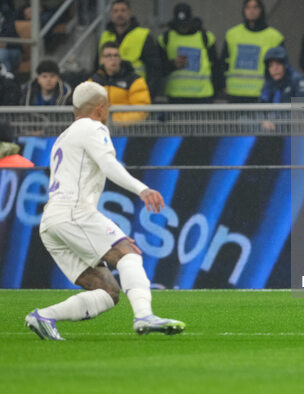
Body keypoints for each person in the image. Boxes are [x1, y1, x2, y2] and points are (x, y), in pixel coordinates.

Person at [24, 81, 185, 341]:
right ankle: (144, 315)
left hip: (52, 221)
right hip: (74, 213)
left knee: (107, 291)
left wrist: (110, 240)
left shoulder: (62, 137)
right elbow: (108, 164)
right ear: (100, 108)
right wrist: (142, 189)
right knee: (129, 254)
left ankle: (43, 316)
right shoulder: (93, 127)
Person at [221, 0, 284, 103]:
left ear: (261, 10)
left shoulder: (274, 37)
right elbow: (222, 63)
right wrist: (222, 85)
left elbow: (282, 68)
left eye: (255, 7)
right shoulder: (232, 35)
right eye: (248, 7)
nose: (251, 11)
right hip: (235, 94)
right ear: (243, 10)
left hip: (263, 94)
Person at [98, 0, 161, 97]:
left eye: (123, 10)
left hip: (136, 92)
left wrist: (149, 94)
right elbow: (98, 66)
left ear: (130, 13)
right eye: (115, 11)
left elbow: (154, 69)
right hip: (110, 94)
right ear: (111, 14)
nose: (119, 14)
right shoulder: (105, 36)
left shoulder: (143, 35)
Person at [158, 3, 218, 104]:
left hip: (202, 95)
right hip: (176, 95)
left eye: (185, 24)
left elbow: (216, 66)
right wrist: (172, 64)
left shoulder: (205, 37)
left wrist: (215, 91)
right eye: (180, 25)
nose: (183, 28)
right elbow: (157, 68)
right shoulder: (165, 38)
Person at [90, 41, 151, 125]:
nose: (113, 59)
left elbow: (141, 111)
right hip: (99, 130)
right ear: (101, 59)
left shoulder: (134, 80)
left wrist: (113, 121)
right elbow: (86, 111)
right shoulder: (92, 82)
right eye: (108, 56)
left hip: (128, 131)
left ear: (120, 59)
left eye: (116, 55)